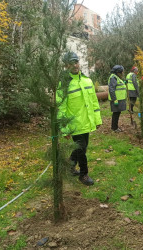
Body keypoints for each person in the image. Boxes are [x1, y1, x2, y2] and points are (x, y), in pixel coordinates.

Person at [57, 51, 102, 186]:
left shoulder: (87, 80)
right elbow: (61, 107)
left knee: (82, 148)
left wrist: (97, 120)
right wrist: (64, 129)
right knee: (81, 150)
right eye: (71, 63)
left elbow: (94, 102)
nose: (75, 65)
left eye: (76, 62)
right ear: (66, 66)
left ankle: (70, 166)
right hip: (74, 124)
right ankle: (84, 174)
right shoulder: (64, 84)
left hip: (86, 122)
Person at [108, 65, 127, 132]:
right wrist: (114, 99)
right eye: (122, 72)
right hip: (116, 100)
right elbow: (111, 89)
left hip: (119, 99)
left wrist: (124, 83)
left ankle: (115, 127)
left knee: (117, 113)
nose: (122, 73)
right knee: (116, 113)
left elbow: (118, 85)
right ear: (118, 72)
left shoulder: (116, 77)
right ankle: (114, 128)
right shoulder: (113, 78)